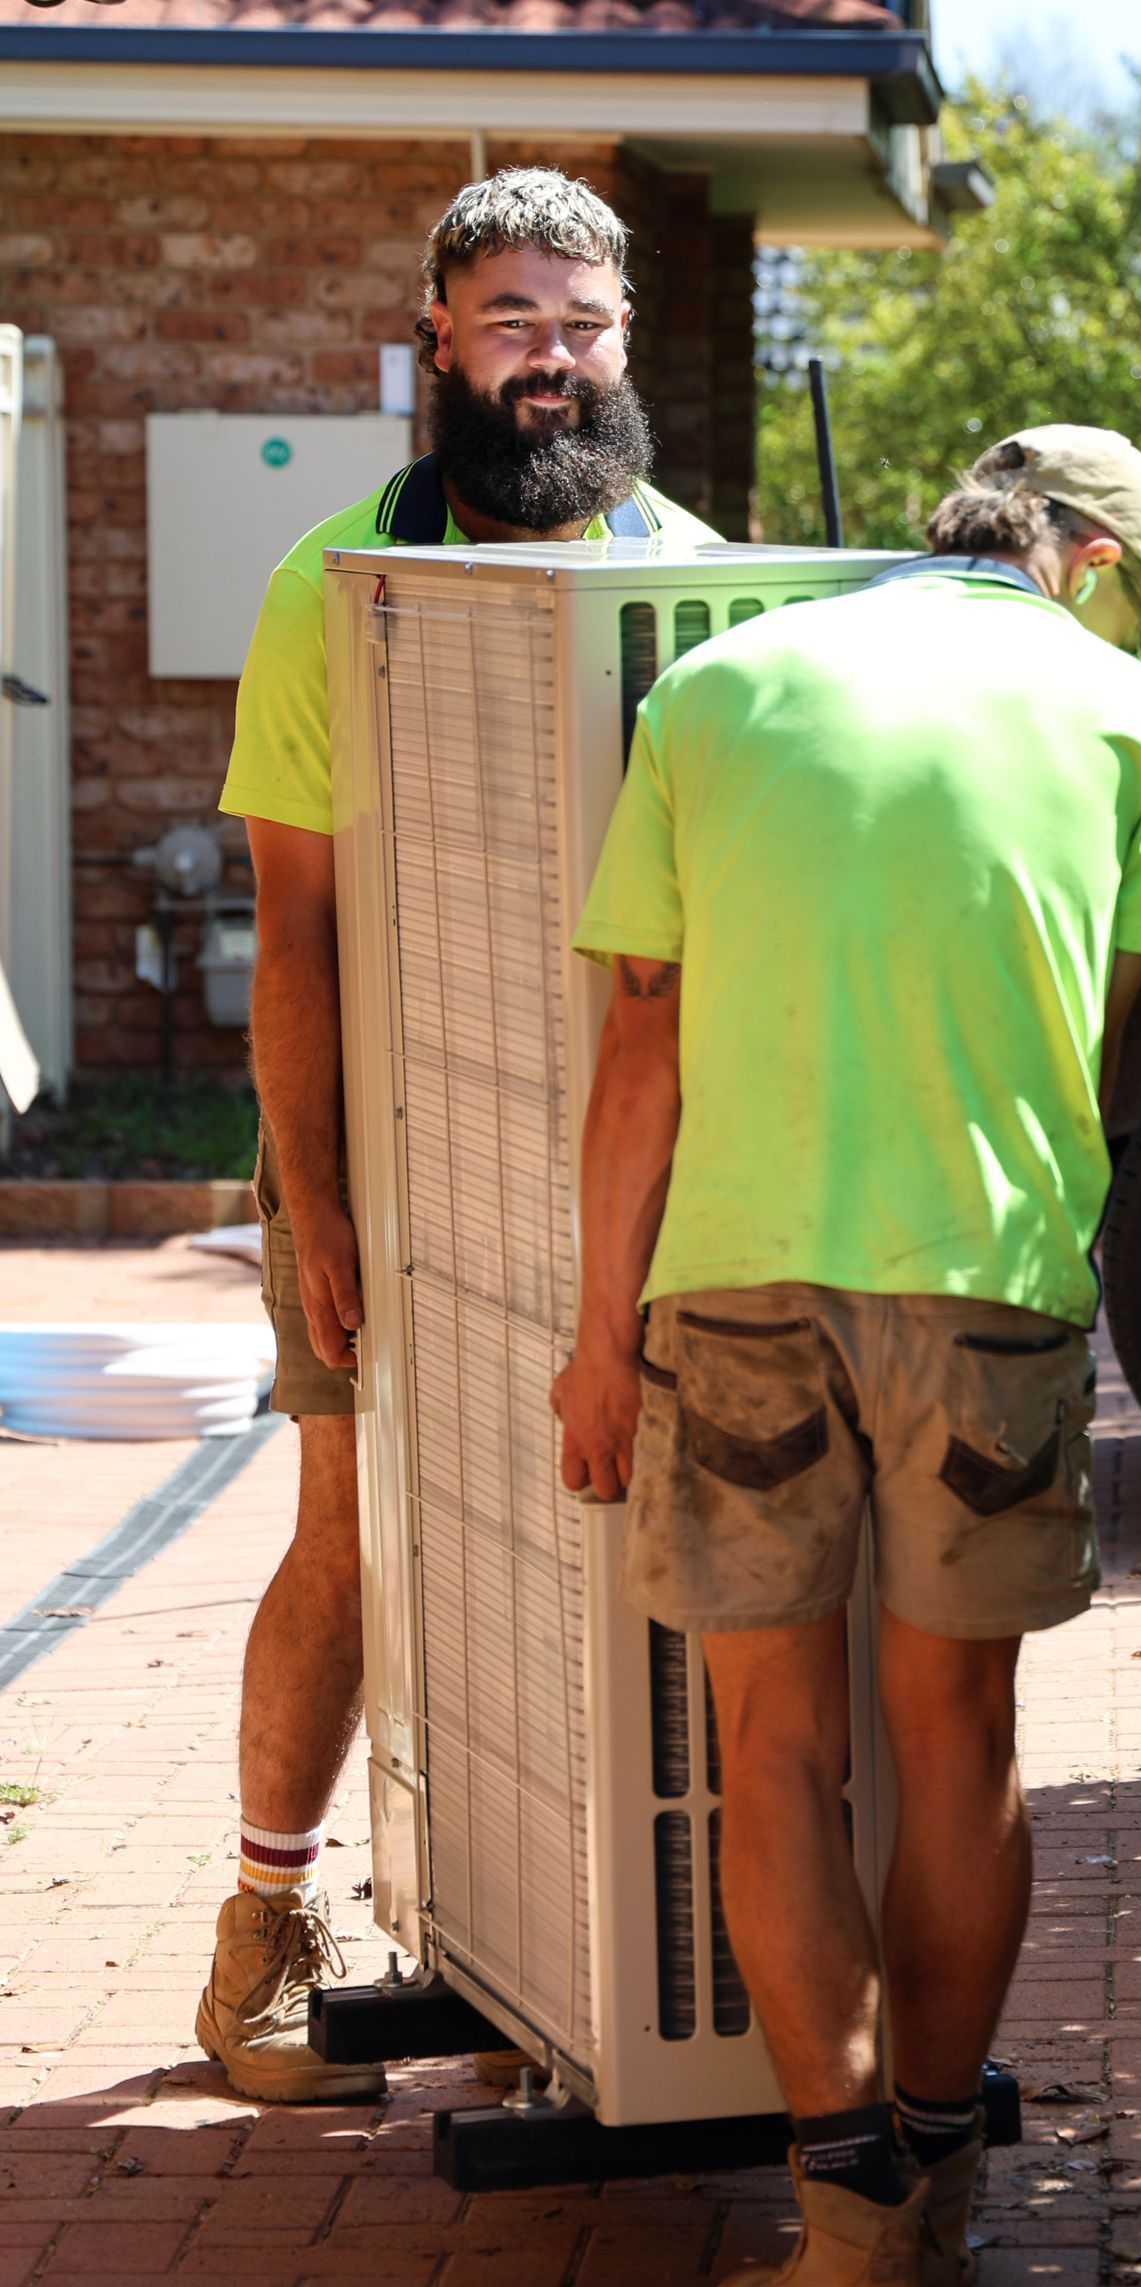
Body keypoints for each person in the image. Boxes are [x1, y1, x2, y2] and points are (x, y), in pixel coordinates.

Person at [552, 425, 1141, 2287]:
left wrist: (603, 1341)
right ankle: (937, 2214)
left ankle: (840, 2249)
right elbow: (1091, 1024)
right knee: (962, 1740)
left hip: (738, 1276)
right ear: (1086, 558)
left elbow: (646, 1045)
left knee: (775, 1750)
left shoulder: (718, 687)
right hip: (987, 1277)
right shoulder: (1124, 721)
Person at [197, 167, 718, 2102]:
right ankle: (264, 1923)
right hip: (380, 1146)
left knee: (581, 1543)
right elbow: (298, 927)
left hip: (609, 1144)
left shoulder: (687, 577)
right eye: (514, 324)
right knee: (353, 1533)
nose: (552, 363)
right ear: (437, 339)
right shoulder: (336, 588)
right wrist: (316, 1194)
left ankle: (549, 1965)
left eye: (583, 327)